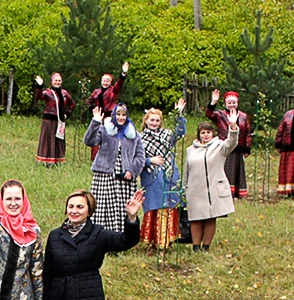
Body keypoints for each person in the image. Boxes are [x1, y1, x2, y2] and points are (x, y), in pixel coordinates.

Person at [83, 103, 144, 232]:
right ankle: (99, 234)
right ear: (113, 115)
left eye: (124, 115)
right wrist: (95, 122)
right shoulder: (104, 130)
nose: (121, 117)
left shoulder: (134, 135)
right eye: (118, 114)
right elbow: (89, 141)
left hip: (125, 178)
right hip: (104, 174)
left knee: (123, 207)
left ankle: (121, 235)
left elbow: (140, 156)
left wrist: (132, 171)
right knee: (101, 206)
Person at [137, 104, 187, 253]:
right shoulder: (139, 138)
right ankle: (152, 241)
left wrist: (179, 115)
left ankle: (167, 240)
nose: (154, 123)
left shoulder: (166, 135)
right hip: (151, 177)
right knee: (154, 207)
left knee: (168, 206)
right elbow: (135, 158)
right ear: (146, 121)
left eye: (157, 120)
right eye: (152, 120)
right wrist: (149, 160)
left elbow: (180, 132)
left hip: (168, 175)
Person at [183, 116, 237, 249]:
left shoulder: (219, 146)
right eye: (203, 132)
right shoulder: (190, 150)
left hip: (212, 189)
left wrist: (233, 126)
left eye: (208, 132)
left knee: (210, 218)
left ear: (213, 133)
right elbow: (187, 171)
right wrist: (184, 188)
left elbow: (232, 142)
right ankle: (196, 246)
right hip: (195, 190)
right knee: (195, 218)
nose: (206, 135)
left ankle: (206, 246)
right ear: (199, 135)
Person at [207, 89, 253, 198]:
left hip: (239, 148)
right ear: (225, 103)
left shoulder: (243, 116)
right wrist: (213, 102)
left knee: (238, 170)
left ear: (237, 103)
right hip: (225, 146)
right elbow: (209, 114)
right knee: (226, 170)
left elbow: (247, 132)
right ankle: (226, 192)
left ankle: (238, 192)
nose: (232, 105)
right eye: (229, 103)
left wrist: (247, 148)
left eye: (234, 102)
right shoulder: (220, 115)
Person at [33, 73, 73, 166]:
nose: (57, 82)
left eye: (59, 80)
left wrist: (67, 113)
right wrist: (39, 86)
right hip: (49, 120)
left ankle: (57, 159)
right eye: (56, 80)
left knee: (58, 140)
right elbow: (39, 96)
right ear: (51, 82)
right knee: (48, 139)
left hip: (59, 121)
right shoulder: (48, 92)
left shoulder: (64, 93)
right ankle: (45, 159)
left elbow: (72, 103)